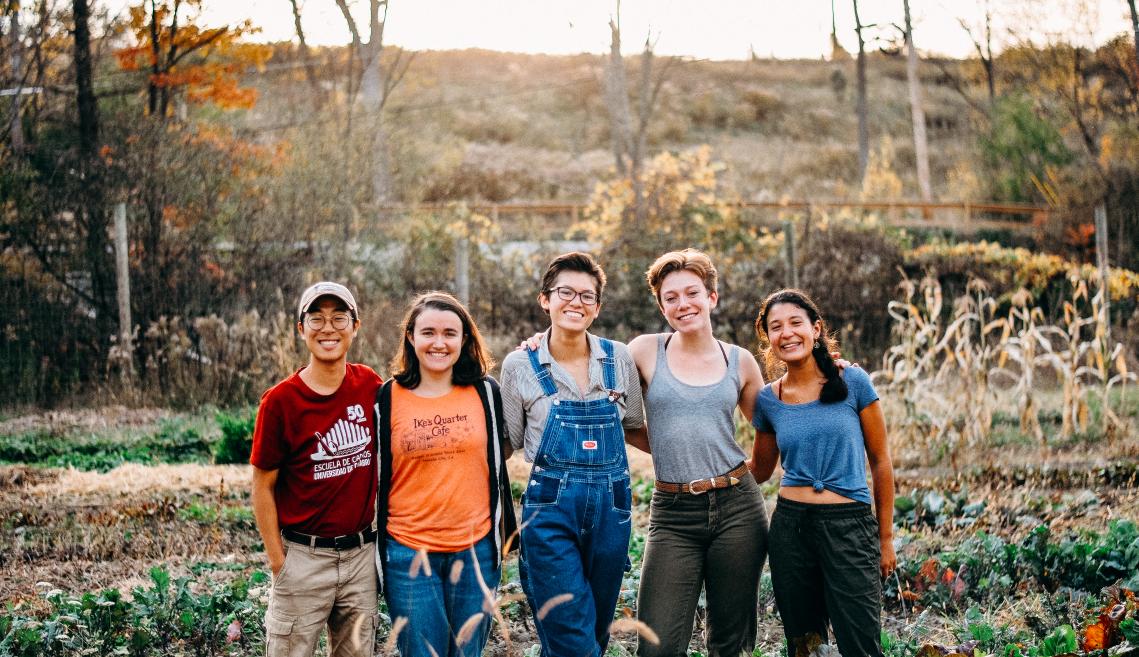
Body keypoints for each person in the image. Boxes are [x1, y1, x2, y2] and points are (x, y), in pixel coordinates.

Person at [499, 252, 647, 657]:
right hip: (550, 511)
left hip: (612, 512)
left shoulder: (619, 359)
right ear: (545, 299)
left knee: (594, 632)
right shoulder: (518, 365)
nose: (575, 303)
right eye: (566, 292)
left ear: (597, 308)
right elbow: (508, 441)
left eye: (587, 296)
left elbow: (633, 426)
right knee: (572, 638)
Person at [629, 249, 769, 657]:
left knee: (730, 642)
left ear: (712, 297)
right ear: (661, 306)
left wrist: (755, 472)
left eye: (691, 293)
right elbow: (617, 412)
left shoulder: (739, 361)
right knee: (656, 646)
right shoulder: (643, 351)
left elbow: (771, 424)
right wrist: (544, 341)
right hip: (673, 514)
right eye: (670, 297)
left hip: (738, 509)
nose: (682, 304)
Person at [750, 289, 896, 657]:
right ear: (768, 338)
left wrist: (886, 537)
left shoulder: (853, 382)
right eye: (776, 327)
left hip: (849, 525)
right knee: (804, 645)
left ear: (815, 329)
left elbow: (880, 460)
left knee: (861, 644)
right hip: (791, 530)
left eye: (795, 323)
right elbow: (760, 470)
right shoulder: (769, 399)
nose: (787, 333)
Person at [374, 291, 518, 657]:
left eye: (450, 333)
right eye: (428, 333)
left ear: (465, 339)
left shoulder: (486, 392)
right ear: (410, 336)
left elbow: (505, 448)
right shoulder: (387, 398)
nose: (439, 343)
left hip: (476, 550)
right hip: (408, 551)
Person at [251, 281, 383, 657]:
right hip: (304, 557)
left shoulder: (369, 385)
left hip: (360, 557)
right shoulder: (281, 402)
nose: (328, 328)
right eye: (317, 319)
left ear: (355, 327)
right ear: (301, 329)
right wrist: (280, 562)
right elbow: (262, 485)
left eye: (339, 318)